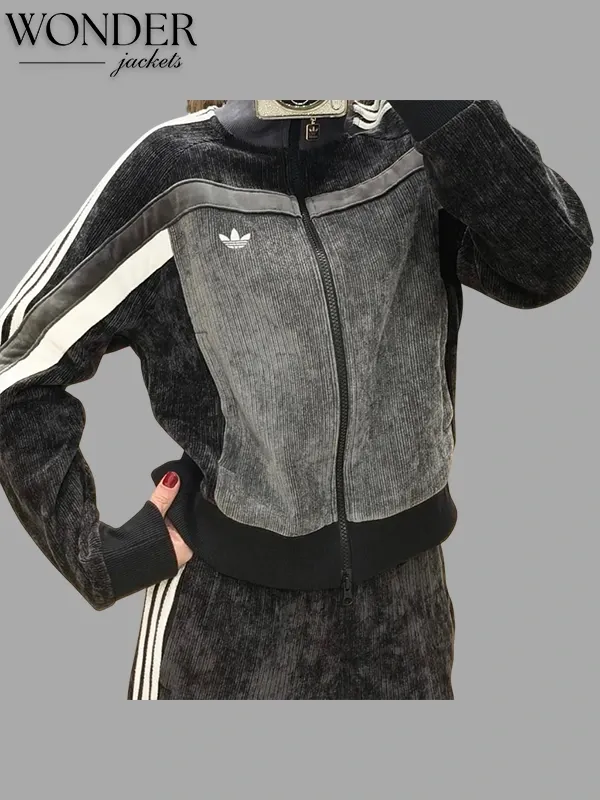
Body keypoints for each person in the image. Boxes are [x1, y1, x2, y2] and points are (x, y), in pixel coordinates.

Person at [0, 100, 593, 700]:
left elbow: (552, 259)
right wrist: (106, 558)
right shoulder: (177, 174)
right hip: (226, 635)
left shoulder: (412, 145)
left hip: (407, 629)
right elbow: (15, 368)